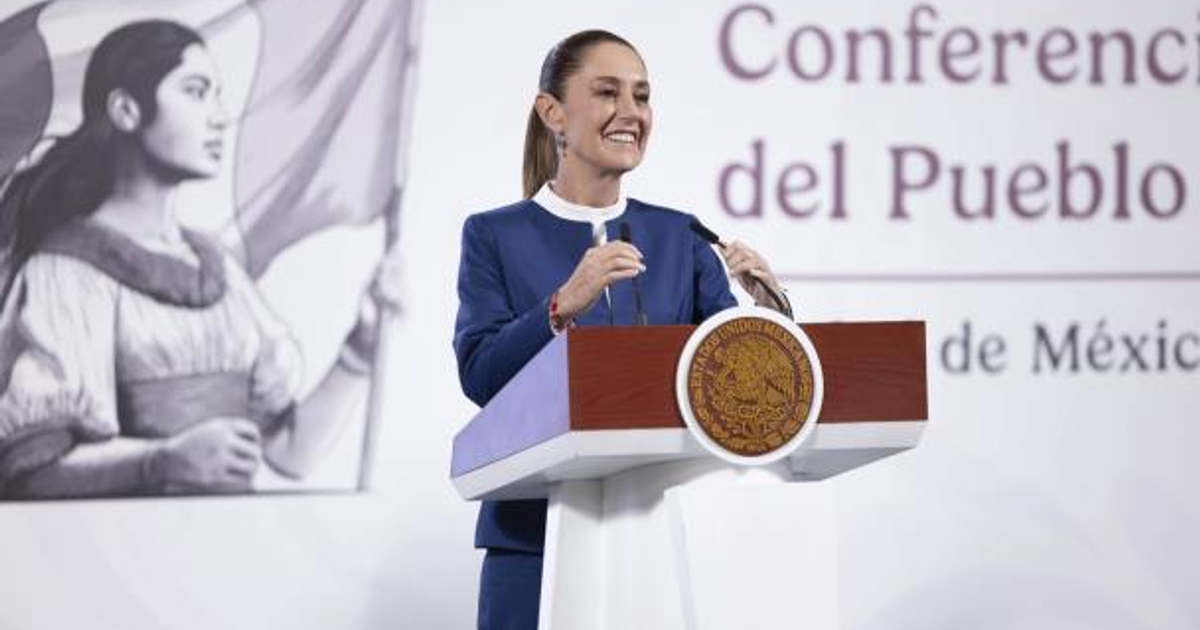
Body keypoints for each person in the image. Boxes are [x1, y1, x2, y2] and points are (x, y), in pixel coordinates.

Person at [453, 29, 789, 630]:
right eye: (607, 92)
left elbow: (735, 393)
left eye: (642, 95)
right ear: (551, 112)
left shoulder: (681, 237)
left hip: (651, 537)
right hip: (531, 541)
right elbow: (481, 376)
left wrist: (770, 319)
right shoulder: (493, 234)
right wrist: (562, 305)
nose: (631, 113)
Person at [0, 20, 398, 498]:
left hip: (223, 553)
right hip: (118, 558)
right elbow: (33, 471)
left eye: (217, 94)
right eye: (196, 91)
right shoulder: (65, 273)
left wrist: (361, 346)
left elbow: (290, 451)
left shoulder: (220, 271)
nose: (218, 116)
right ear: (126, 110)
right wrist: (161, 460)